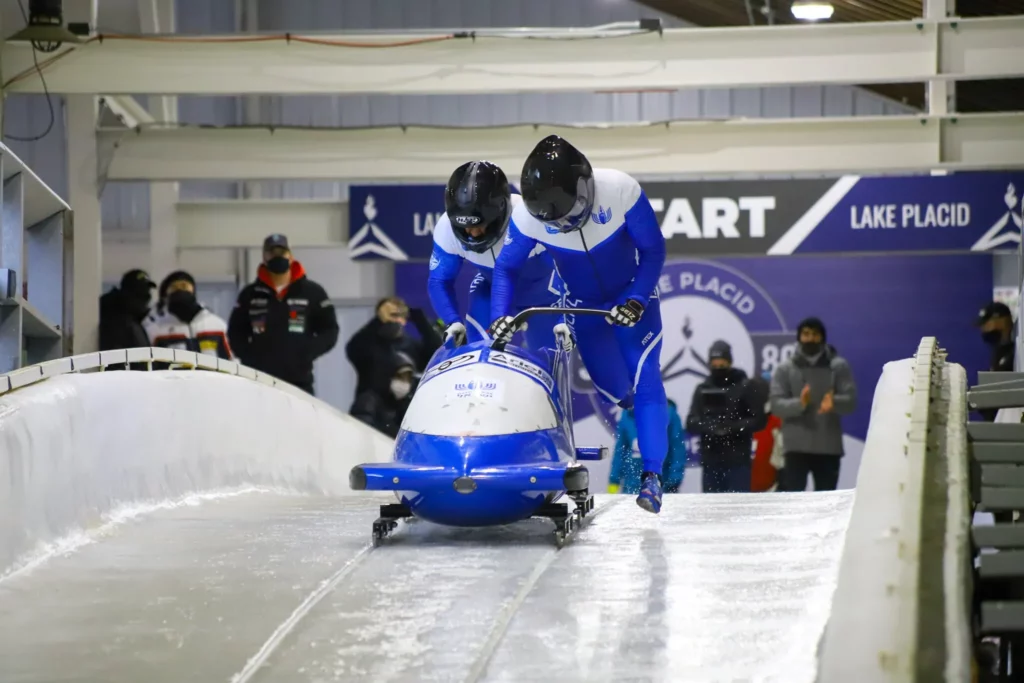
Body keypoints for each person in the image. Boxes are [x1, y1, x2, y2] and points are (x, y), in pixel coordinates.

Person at [489, 135, 668, 514]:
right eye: (557, 223)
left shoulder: (621, 190)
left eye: (572, 214)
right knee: (619, 394)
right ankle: (642, 423)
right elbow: (505, 268)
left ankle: (652, 477)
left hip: (631, 300)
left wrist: (636, 298)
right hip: (585, 308)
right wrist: (499, 317)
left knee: (646, 376)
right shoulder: (526, 218)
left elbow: (653, 250)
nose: (568, 225)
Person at [428, 161, 563, 351]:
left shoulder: (530, 216)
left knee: (546, 364)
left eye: (479, 225)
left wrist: (566, 315)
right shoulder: (445, 228)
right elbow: (439, 281)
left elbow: (570, 267)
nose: (472, 233)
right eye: (465, 226)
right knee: (478, 356)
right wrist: (452, 321)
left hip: (545, 300)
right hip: (490, 294)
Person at [227, 233, 339, 394]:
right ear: (264, 257)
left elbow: (330, 329)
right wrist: (250, 358)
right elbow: (235, 331)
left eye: (282, 253)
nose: (277, 257)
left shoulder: (312, 292)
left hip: (299, 382)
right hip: (259, 382)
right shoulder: (250, 295)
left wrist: (307, 352)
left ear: (291, 256)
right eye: (272, 253)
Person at [770, 317, 857, 492]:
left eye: (815, 334)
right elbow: (776, 405)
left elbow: (851, 402)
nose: (810, 339)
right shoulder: (785, 369)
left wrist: (834, 403)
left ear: (823, 338)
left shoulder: (838, 366)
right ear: (799, 337)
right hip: (795, 447)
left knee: (826, 506)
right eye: (806, 334)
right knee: (792, 505)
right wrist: (800, 403)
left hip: (827, 447)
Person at [686, 341, 766, 493]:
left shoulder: (744, 387)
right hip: (711, 460)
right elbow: (691, 422)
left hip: (738, 460)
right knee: (712, 509)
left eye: (722, 366)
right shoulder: (703, 389)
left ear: (729, 363)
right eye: (714, 366)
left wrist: (732, 427)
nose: (718, 370)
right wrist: (712, 427)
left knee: (738, 508)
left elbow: (759, 420)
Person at [345, 296, 442, 399]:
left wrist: (420, 320)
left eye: (398, 315)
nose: (394, 321)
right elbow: (353, 349)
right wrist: (377, 322)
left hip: (404, 407)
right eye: (391, 316)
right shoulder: (368, 344)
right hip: (372, 407)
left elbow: (436, 355)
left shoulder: (411, 345)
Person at [144, 270, 232, 359]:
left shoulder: (216, 325)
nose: (180, 290)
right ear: (166, 294)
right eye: (174, 288)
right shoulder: (156, 330)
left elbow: (231, 361)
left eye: (184, 286)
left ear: (193, 290)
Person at [609, 399, 687, 495]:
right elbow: (620, 450)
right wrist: (614, 479)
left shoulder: (669, 415)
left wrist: (674, 480)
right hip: (631, 486)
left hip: (662, 486)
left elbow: (677, 449)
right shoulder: (627, 416)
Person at [350, 351, 418, 439]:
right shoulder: (368, 401)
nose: (404, 383)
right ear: (387, 375)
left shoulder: (405, 407)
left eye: (407, 380)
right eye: (400, 377)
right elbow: (361, 430)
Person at [976, 301, 1016, 421]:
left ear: (1002, 320)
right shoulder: (998, 352)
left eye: (987, 324)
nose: (984, 330)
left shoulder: (1014, 353)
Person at [99, 268, 155, 353]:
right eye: (140, 292)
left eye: (147, 290)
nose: (146, 296)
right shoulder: (116, 321)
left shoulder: (135, 321)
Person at [750, 371, 783, 492]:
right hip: (741, 493)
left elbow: (782, 461)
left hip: (771, 491)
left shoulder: (777, 422)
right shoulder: (739, 420)